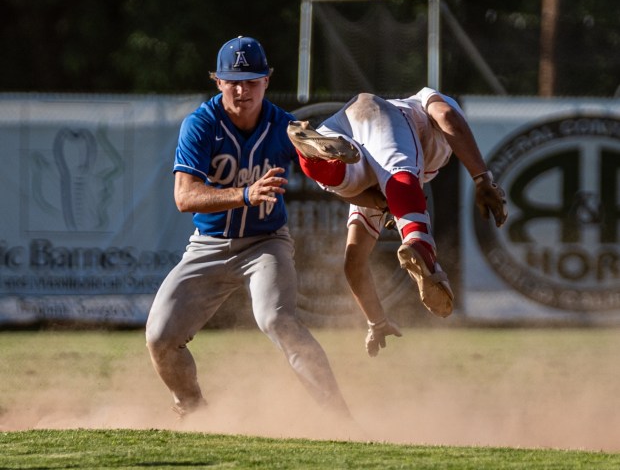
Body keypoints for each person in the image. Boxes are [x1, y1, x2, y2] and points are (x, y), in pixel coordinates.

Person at [145, 36, 350, 418]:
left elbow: (338, 173)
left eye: (252, 80)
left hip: (265, 244)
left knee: (277, 319)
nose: (242, 89)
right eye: (233, 80)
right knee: (159, 338)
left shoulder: (286, 127)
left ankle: (341, 419)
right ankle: (191, 408)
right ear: (218, 82)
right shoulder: (201, 125)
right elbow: (184, 197)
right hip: (209, 244)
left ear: (267, 81)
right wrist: (243, 194)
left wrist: (367, 187)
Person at [287, 89, 507, 356]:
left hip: (347, 135)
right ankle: (420, 243)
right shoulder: (423, 101)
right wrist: (482, 178)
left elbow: (354, 264)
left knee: (350, 177)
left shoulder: (385, 187)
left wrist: (376, 321)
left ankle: (314, 160)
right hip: (381, 118)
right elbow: (448, 115)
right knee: (399, 175)